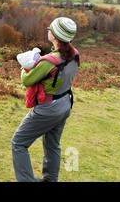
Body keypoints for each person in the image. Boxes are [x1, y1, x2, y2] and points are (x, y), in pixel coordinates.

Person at [11, 17, 80, 182]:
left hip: (48, 109)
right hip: (65, 105)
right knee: (52, 145)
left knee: (18, 143)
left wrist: (25, 66)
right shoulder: (75, 55)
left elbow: (27, 80)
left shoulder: (49, 62)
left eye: (51, 29)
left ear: (55, 35)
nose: (48, 30)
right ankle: (50, 179)